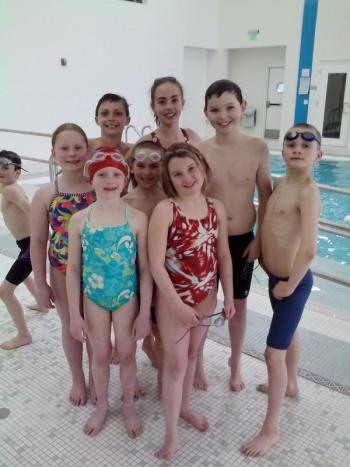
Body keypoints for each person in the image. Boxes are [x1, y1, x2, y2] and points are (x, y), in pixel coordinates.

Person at [148, 143, 235, 460]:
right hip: (174, 301)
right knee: (175, 364)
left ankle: (184, 407)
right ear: (170, 180)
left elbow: (223, 255)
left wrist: (226, 294)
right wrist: (176, 305)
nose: (187, 177)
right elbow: (156, 264)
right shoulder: (166, 210)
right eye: (177, 173)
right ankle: (170, 436)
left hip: (207, 297)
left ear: (203, 168)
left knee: (195, 353)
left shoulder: (216, 207)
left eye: (191, 169)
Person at [241, 123, 322, 457]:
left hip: (293, 282)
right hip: (276, 278)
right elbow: (268, 217)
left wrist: (291, 282)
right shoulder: (278, 183)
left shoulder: (308, 192)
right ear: (283, 150)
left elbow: (309, 249)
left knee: (272, 353)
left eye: (307, 143)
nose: (298, 148)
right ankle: (290, 384)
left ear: (319, 153)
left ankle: (270, 430)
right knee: (289, 336)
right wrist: (259, 244)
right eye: (291, 142)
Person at [67, 150, 152, 437]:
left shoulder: (137, 218)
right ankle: (101, 405)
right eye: (102, 174)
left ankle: (128, 406)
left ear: (125, 179)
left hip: (127, 297)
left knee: (127, 355)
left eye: (116, 173)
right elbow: (74, 269)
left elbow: (144, 270)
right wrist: (75, 316)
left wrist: (144, 313)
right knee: (100, 355)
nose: (109, 179)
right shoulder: (79, 220)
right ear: (91, 179)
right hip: (94, 299)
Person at [198, 79, 272, 391]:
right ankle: (197, 363)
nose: (223, 115)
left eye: (230, 107)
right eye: (215, 109)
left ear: (242, 107)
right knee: (202, 303)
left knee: (238, 305)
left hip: (242, 239)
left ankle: (236, 362)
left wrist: (259, 239)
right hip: (207, 240)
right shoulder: (200, 150)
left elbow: (266, 197)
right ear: (206, 113)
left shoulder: (258, 147)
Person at [30, 123, 96, 406]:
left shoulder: (101, 188)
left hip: (98, 275)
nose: (72, 154)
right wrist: (40, 284)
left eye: (78, 147)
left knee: (96, 328)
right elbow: (37, 242)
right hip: (61, 272)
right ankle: (78, 379)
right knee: (71, 326)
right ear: (54, 153)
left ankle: (97, 377)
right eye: (64, 148)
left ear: (87, 150)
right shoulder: (46, 194)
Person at [124, 141, 166, 369]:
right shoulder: (124, 203)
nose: (147, 172)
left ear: (164, 167)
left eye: (154, 165)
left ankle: (153, 347)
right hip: (134, 277)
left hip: (164, 276)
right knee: (132, 324)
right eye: (141, 165)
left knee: (162, 326)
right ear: (131, 167)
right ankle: (143, 348)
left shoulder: (170, 200)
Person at [0, 150, 47, 350]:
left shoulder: (11, 190)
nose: (0, 171)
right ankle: (42, 304)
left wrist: (48, 236)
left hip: (30, 246)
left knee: (4, 292)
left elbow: (30, 209)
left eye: (5, 168)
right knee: (24, 275)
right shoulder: (6, 187)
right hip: (25, 245)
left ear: (18, 172)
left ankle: (24, 335)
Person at [138, 76, 201, 149]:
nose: (169, 107)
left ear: (182, 103)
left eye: (174, 100)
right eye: (162, 102)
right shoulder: (146, 143)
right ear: (153, 107)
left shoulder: (192, 137)